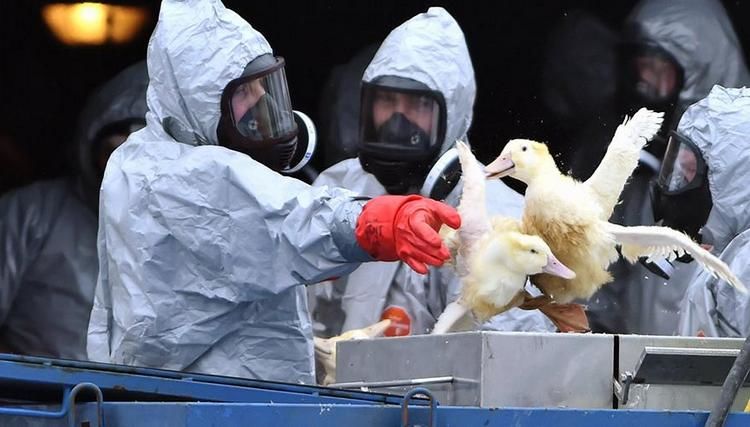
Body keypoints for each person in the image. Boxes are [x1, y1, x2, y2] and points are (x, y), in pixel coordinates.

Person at [86, 0, 461, 385]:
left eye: (264, 87)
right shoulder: (171, 176)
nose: (261, 104)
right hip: (204, 399)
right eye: (245, 94)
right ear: (199, 104)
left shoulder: (152, 159)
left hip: (227, 395)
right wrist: (374, 222)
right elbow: (286, 220)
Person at [308, 7, 554, 341]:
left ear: (452, 112)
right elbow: (304, 322)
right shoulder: (339, 192)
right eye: (387, 101)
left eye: (417, 106)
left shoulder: (498, 222)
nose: (397, 120)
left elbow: (504, 357)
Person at [584, 0, 750, 335]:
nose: (644, 84)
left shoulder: (740, 253)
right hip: (644, 364)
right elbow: (603, 287)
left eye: (658, 69)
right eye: (638, 70)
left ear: (702, 67)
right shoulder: (634, 179)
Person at [0, 61, 148, 359]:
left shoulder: (196, 237)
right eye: (115, 149)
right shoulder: (33, 214)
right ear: (91, 142)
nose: (125, 168)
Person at [675, 86, 750, 338]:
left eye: (689, 171)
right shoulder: (730, 255)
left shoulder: (745, 266)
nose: (682, 183)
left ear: (733, 177)